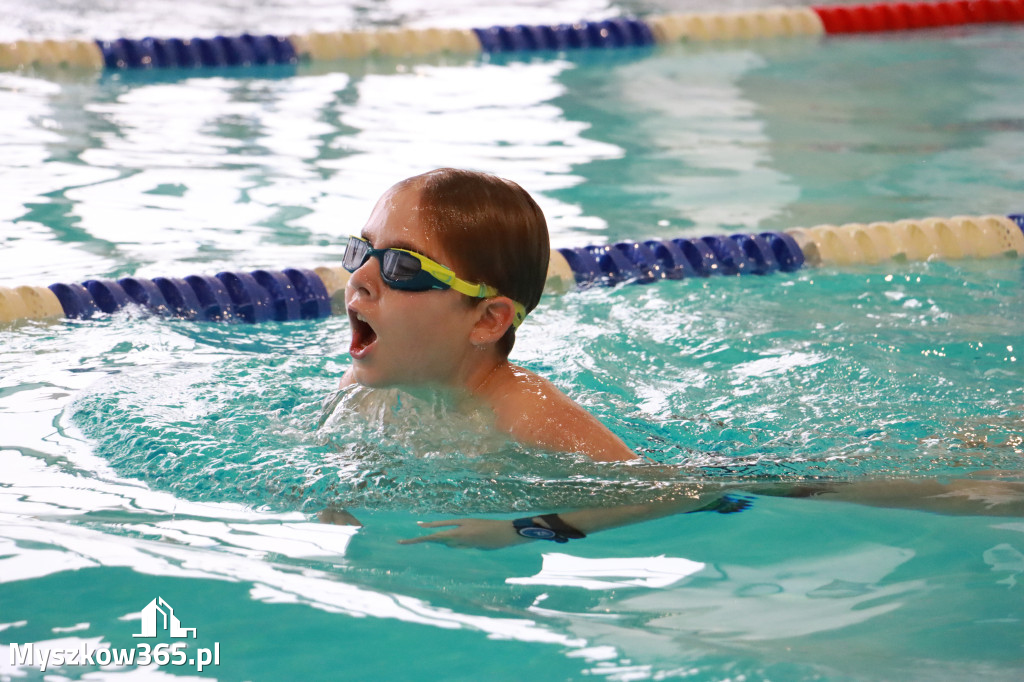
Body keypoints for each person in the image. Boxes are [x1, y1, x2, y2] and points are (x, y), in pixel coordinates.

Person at [338, 167, 637, 463]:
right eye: (362, 251)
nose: (358, 279)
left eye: (403, 266)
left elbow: (659, 491)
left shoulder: (530, 416)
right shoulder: (361, 391)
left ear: (488, 320)